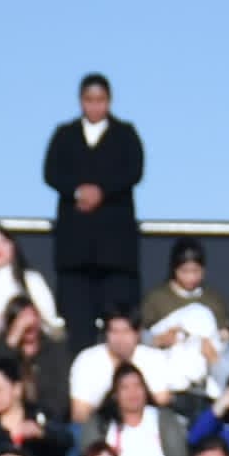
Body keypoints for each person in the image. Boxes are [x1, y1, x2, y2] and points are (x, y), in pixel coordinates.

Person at [45, 75, 149, 331]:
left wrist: (102, 191)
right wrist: (77, 192)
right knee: (78, 328)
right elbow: (51, 173)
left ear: (109, 101)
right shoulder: (65, 135)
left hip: (116, 254)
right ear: (81, 101)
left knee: (120, 323)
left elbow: (135, 171)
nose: (95, 106)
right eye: (89, 100)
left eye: (100, 100)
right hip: (75, 254)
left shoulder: (125, 134)